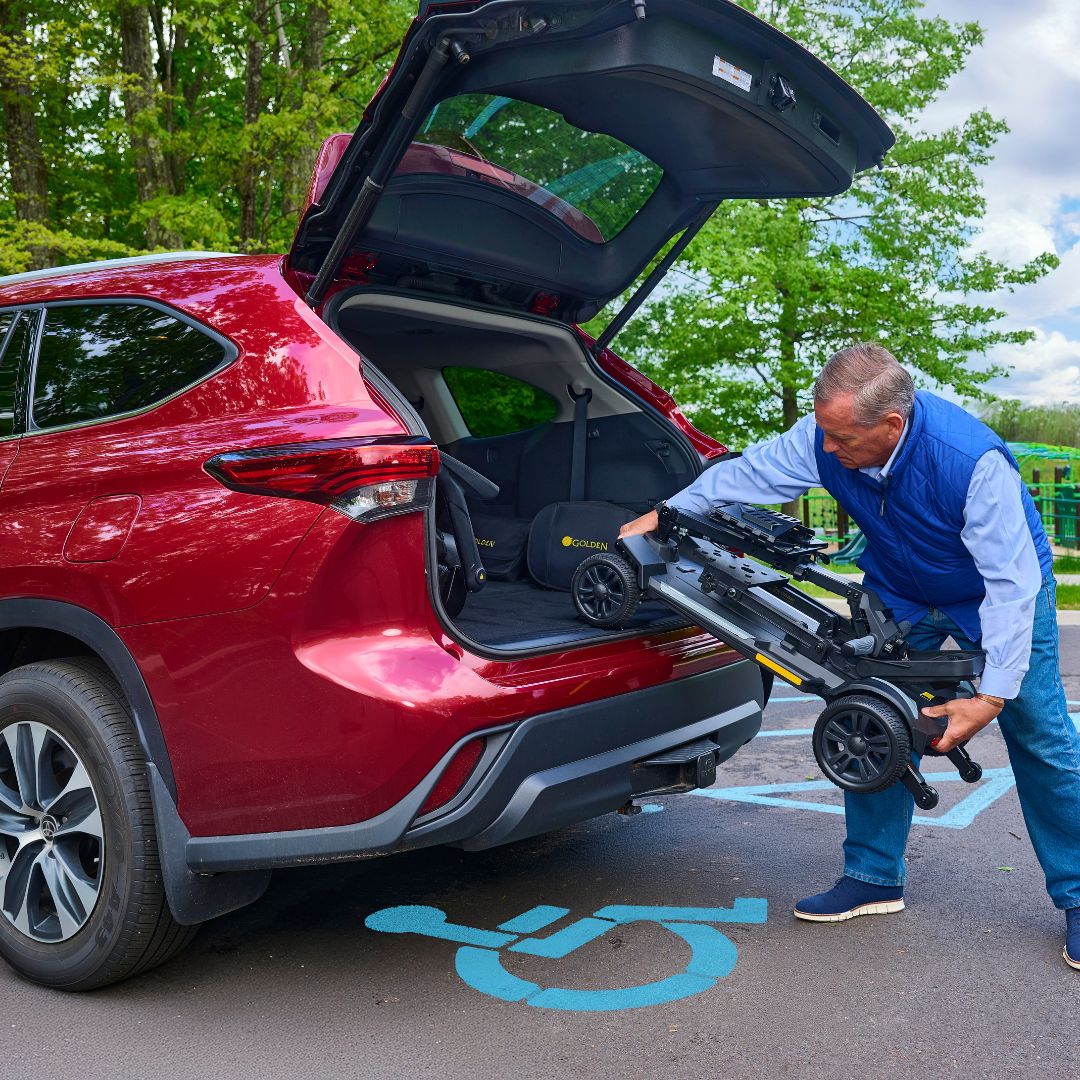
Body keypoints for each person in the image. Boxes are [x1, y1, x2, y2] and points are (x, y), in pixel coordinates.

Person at [619, 343, 1080, 970]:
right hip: (901, 589)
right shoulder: (823, 434)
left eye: (841, 439)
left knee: (1042, 737)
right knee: (868, 710)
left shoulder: (971, 463)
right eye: (823, 433)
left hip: (992, 592)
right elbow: (746, 475)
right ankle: (872, 876)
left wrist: (991, 696)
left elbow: (1010, 584)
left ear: (891, 425)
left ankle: (1078, 897)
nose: (827, 451)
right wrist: (664, 517)